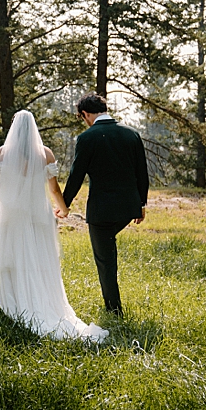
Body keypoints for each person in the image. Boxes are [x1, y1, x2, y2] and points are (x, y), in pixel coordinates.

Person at [0, 110, 108, 342]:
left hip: (11, 215)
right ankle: (41, 301)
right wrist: (63, 209)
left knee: (12, 259)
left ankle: (14, 305)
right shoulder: (45, 154)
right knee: (40, 260)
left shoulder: (3, 153)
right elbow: (53, 189)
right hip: (38, 214)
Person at [61, 93, 148, 317]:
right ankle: (113, 307)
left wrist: (65, 204)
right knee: (109, 246)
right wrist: (141, 204)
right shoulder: (131, 134)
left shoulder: (87, 138)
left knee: (105, 261)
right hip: (128, 208)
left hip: (101, 212)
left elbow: (76, 175)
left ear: (85, 114)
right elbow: (142, 172)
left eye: (83, 118)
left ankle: (114, 311)